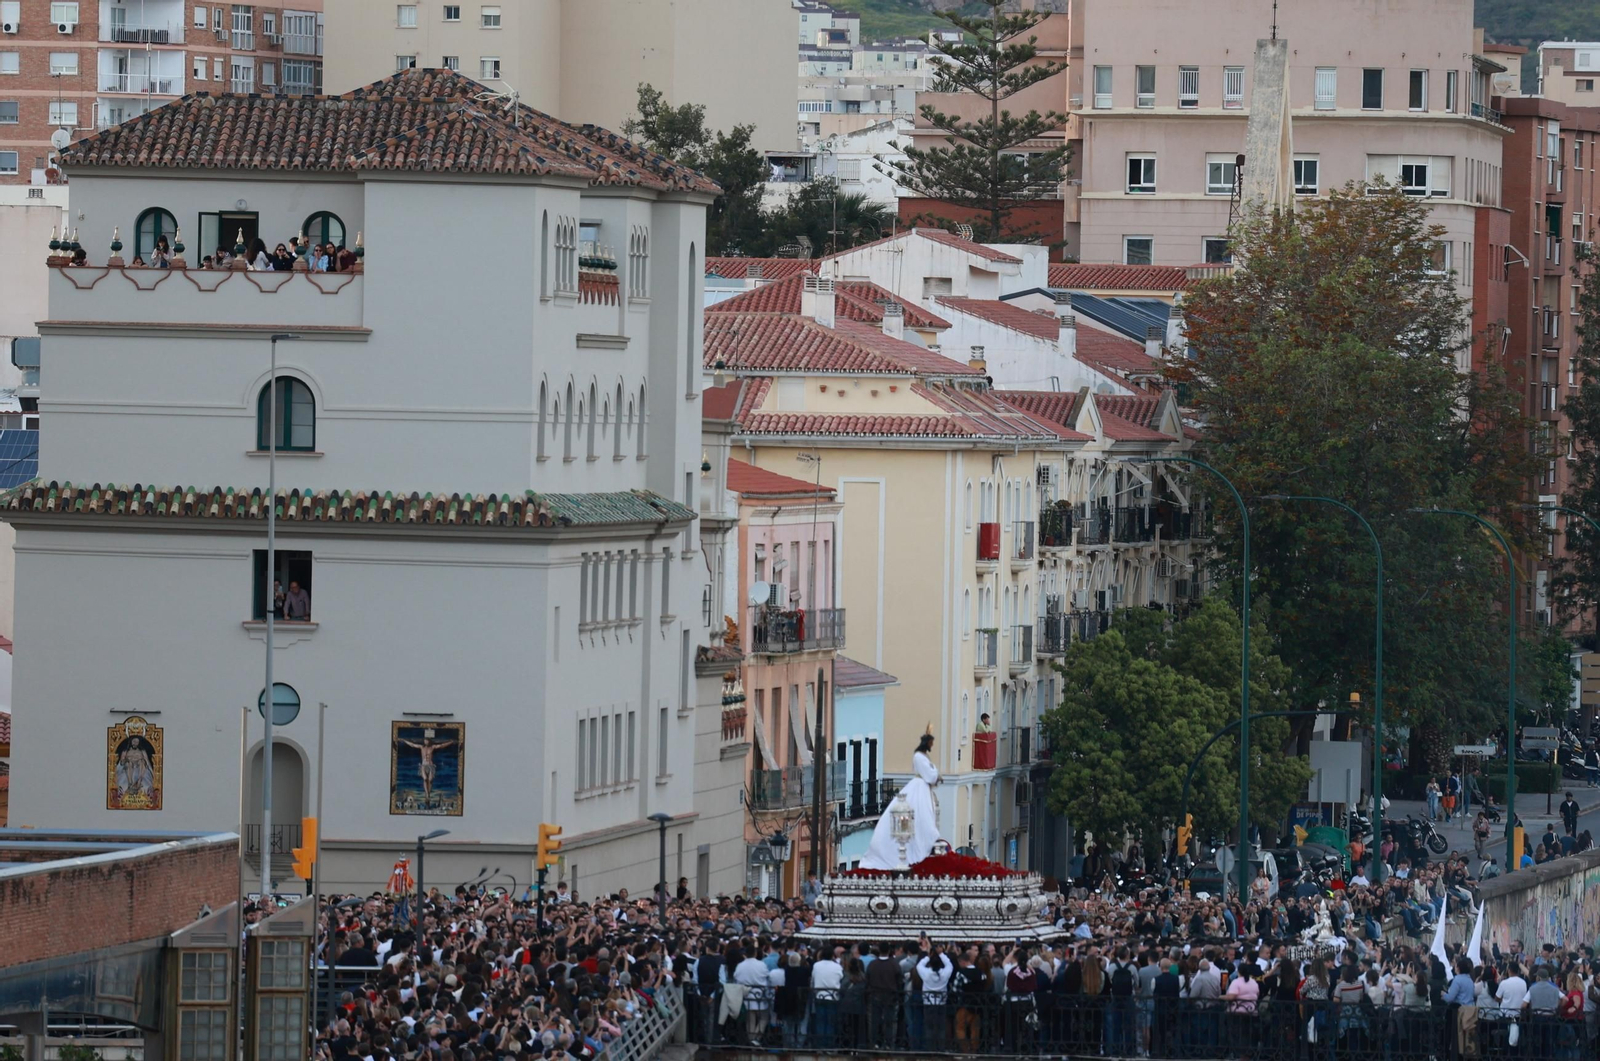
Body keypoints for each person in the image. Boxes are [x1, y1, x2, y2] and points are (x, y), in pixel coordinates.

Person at [859, 728, 942, 870]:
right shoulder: (919, 757)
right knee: (923, 818)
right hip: (921, 787)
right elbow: (931, 775)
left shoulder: (923, 757)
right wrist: (936, 774)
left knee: (926, 819)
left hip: (924, 789)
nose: (932, 746)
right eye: (931, 743)